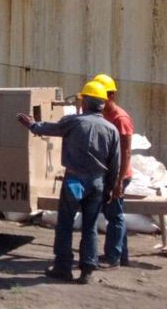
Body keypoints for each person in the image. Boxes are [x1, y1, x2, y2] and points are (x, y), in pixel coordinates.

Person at [16, 80, 119, 284]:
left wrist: (32, 125)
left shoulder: (74, 122)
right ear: (102, 103)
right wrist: (109, 189)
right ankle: (87, 270)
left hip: (75, 180)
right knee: (90, 227)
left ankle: (63, 267)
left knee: (65, 223)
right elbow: (115, 164)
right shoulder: (111, 129)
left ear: (87, 102)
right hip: (98, 182)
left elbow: (50, 128)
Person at [94, 73, 135, 268]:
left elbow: (126, 152)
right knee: (113, 214)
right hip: (108, 173)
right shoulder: (102, 115)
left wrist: (118, 182)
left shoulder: (120, 119)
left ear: (110, 96)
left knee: (115, 215)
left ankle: (113, 258)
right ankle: (120, 255)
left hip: (119, 175)